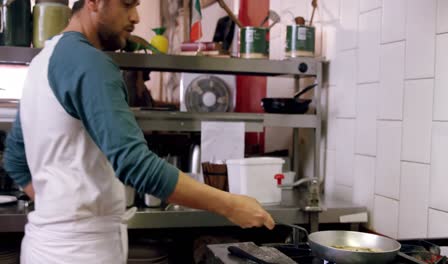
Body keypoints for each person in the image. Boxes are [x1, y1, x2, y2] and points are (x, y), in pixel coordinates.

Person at [3, 0, 275, 263]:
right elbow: (135, 164)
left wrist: (59, 208)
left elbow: (15, 159)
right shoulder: (89, 63)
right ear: (94, 2)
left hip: (44, 246)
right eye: (127, 4)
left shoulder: (42, 61)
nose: (136, 17)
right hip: (81, 252)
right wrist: (230, 205)